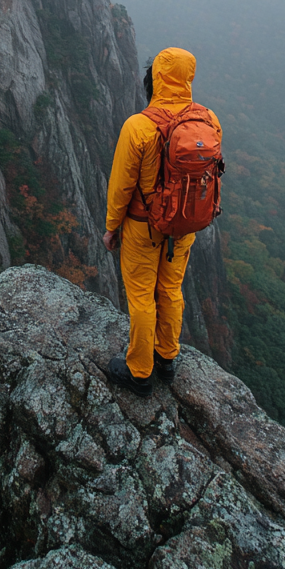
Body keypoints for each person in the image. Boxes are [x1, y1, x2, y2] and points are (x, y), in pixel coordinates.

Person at [102, 47, 222, 396]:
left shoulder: (138, 127)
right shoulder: (209, 121)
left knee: (141, 296)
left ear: (155, 79)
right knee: (170, 289)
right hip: (184, 225)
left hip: (143, 227)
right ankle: (166, 358)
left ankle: (139, 372)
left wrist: (112, 227)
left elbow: (121, 185)